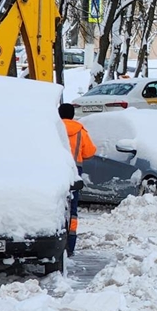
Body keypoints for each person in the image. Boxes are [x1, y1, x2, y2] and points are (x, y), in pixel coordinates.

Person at [58, 103, 96, 257]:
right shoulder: (80, 131)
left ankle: (56, 240)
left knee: (56, 206)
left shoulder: (54, 129)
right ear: (73, 115)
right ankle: (70, 245)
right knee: (72, 209)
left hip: (55, 171)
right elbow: (90, 152)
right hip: (74, 172)